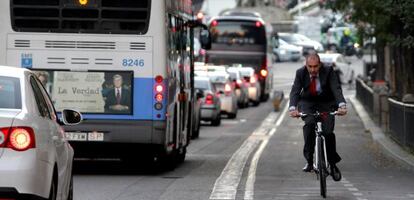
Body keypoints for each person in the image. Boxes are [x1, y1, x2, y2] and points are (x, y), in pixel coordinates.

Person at [289, 53, 347, 182]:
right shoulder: (300, 73)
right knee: (309, 125)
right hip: (307, 103)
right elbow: (295, 91)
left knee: (328, 132)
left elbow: (336, 88)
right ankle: (309, 161)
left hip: (326, 103)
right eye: (310, 67)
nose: (313, 69)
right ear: (306, 65)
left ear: (320, 65)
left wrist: (342, 105)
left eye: (316, 66)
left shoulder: (328, 70)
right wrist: (293, 108)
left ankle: (332, 164)